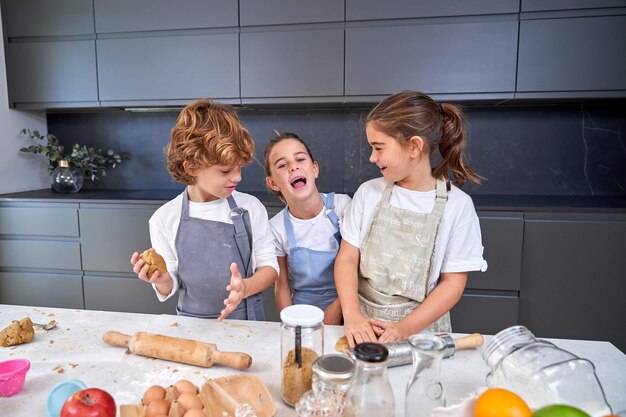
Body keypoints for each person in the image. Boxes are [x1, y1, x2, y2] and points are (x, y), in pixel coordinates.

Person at [335, 90, 487, 347]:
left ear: (414, 146)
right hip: (362, 331)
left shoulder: (457, 206)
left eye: (378, 148)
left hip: (421, 336)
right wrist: (352, 316)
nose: (372, 157)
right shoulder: (368, 193)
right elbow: (347, 258)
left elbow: (453, 283)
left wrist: (406, 327)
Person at [130, 99, 278, 321]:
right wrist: (162, 281)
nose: (238, 177)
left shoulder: (249, 208)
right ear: (191, 167)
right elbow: (171, 284)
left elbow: (270, 268)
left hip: (247, 324)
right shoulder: (164, 219)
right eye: (226, 170)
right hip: (191, 327)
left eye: (239, 167)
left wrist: (244, 288)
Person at [264, 132, 352, 324]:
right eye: (282, 165)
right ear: (273, 183)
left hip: (349, 305)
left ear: (314, 169)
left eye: (300, 159)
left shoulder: (343, 206)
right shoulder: (276, 228)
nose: (293, 166)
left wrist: (337, 309)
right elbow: (282, 287)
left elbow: (358, 268)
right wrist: (291, 326)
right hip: (304, 312)